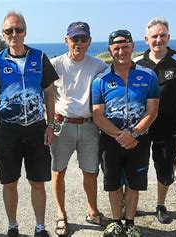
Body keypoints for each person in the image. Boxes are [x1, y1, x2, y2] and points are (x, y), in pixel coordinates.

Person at [0, 11, 58, 237]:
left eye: (18, 29)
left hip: (36, 128)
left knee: (38, 182)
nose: (14, 34)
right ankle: (13, 226)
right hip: (8, 130)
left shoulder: (40, 57)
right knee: (10, 182)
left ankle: (40, 227)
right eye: (9, 30)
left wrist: (50, 125)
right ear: (3, 34)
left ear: (25, 31)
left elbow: (49, 93)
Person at [92, 29, 159, 237]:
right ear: (110, 50)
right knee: (113, 182)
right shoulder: (100, 79)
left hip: (139, 139)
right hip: (111, 140)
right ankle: (116, 221)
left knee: (133, 182)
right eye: (116, 48)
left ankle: (129, 222)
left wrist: (134, 133)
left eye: (125, 47)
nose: (121, 51)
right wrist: (120, 135)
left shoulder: (148, 75)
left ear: (132, 47)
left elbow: (152, 110)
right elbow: (97, 115)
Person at [50, 21, 109, 236]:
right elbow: (41, 93)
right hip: (62, 125)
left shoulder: (99, 66)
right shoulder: (54, 64)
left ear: (90, 41)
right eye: (75, 38)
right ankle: (61, 215)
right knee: (58, 172)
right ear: (67, 40)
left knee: (91, 172)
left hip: (89, 126)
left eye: (84, 39)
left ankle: (92, 212)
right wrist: (49, 118)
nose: (79, 43)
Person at [133, 17, 176, 224]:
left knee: (164, 168)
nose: (158, 40)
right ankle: (131, 205)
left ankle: (160, 204)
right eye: (154, 36)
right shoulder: (137, 62)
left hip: (169, 127)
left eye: (162, 35)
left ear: (169, 37)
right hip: (140, 126)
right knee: (135, 166)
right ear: (146, 39)